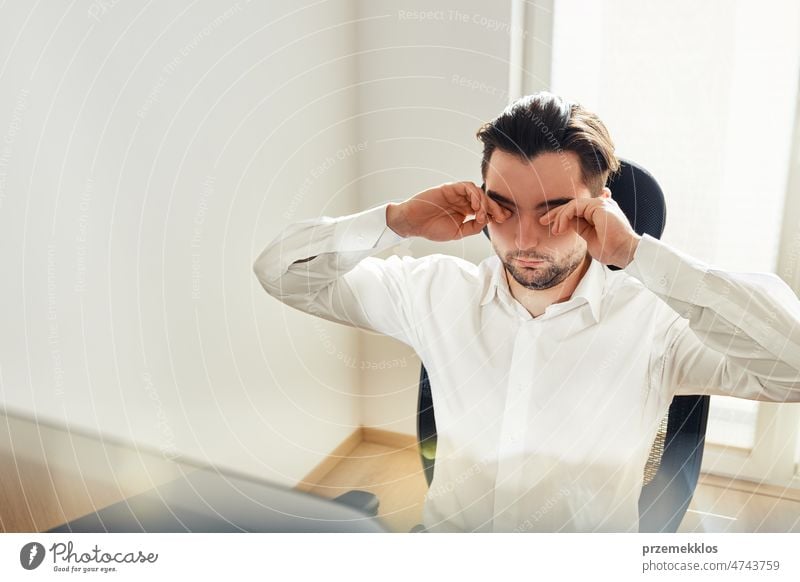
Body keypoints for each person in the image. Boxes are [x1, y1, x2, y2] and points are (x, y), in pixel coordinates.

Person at [252, 92, 800, 532]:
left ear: (599, 203)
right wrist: (395, 221)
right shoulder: (433, 292)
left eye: (553, 210)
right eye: (505, 209)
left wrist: (637, 254)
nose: (523, 238)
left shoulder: (657, 321)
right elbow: (280, 273)